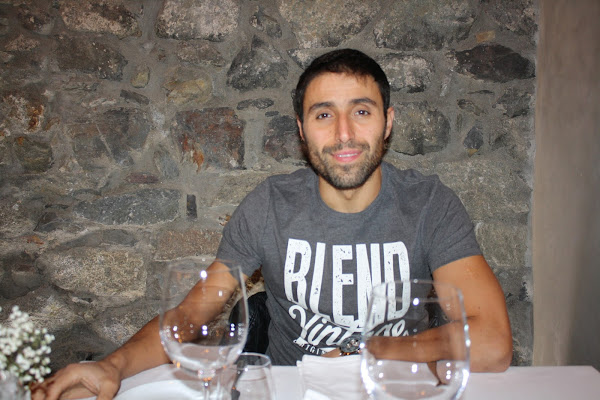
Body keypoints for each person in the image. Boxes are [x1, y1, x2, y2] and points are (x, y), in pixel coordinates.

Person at [33, 49, 512, 400]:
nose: (344, 134)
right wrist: (112, 366)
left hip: (395, 389)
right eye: (324, 115)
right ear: (302, 132)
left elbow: (492, 344)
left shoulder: (430, 205)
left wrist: (370, 350)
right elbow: (190, 317)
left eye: (361, 111)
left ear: (387, 122)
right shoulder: (268, 206)